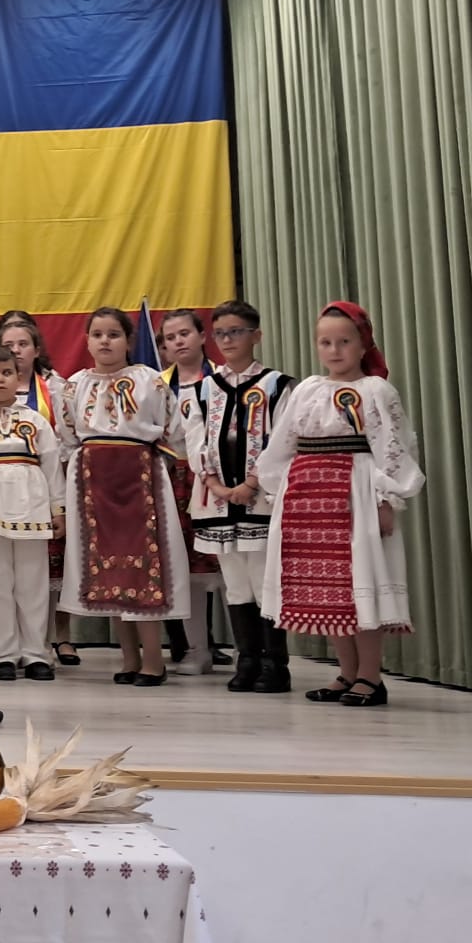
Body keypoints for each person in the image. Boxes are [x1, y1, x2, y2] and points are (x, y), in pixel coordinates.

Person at [258, 301, 424, 709]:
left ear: (363, 344)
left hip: (355, 493)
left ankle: (371, 676)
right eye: (325, 342)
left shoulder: (375, 390)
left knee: (357, 584)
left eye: (344, 342)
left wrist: (387, 498)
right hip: (308, 497)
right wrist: (279, 491)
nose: (334, 351)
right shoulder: (308, 390)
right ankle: (347, 672)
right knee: (327, 589)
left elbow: (393, 445)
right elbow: (283, 441)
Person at [58, 307, 194, 687]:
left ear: (129, 341)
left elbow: (174, 429)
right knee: (108, 568)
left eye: (114, 334)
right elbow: (67, 436)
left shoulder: (149, 380)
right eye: (97, 334)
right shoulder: (74, 385)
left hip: (139, 475)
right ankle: (129, 657)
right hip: (93, 479)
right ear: (87, 341)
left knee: (142, 565)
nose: (105, 341)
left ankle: (153, 659)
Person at [192, 299, 295, 693]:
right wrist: (216, 485)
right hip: (218, 500)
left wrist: (251, 483)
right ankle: (247, 659)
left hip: (260, 499)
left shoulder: (277, 385)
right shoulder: (206, 388)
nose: (227, 339)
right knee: (235, 583)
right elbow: (196, 439)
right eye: (220, 333)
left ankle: (275, 663)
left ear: (256, 335)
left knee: (263, 580)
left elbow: (283, 440)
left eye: (236, 331)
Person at [0, 310, 76, 666]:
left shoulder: (36, 420)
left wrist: (58, 509)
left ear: (19, 377)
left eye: (7, 373)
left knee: (33, 582)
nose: (0, 379)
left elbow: (51, 467)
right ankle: (3, 654)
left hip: (32, 507)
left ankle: (35, 652)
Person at [159, 309, 223, 675]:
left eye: (184, 333)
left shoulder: (221, 380)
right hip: (172, 479)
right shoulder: (157, 385)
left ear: (202, 336)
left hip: (216, 480)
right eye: (170, 338)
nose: (178, 341)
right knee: (186, 571)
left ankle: (256, 653)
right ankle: (197, 650)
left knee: (230, 566)